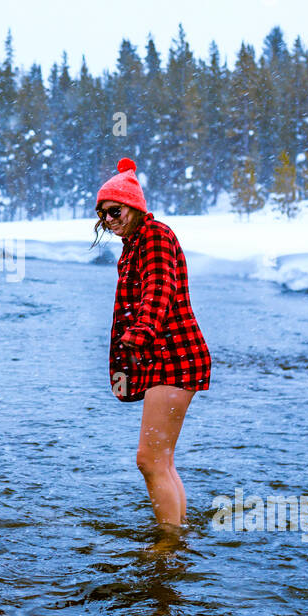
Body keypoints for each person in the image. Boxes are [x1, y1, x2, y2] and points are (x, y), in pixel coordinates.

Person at [95, 158, 211, 527]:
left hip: (175, 356)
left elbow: (160, 289)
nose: (109, 220)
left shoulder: (156, 235)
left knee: (149, 459)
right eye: (102, 215)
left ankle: (168, 545)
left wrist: (140, 332)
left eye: (115, 211)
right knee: (161, 459)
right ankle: (177, 535)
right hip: (164, 358)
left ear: (135, 206)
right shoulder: (134, 243)